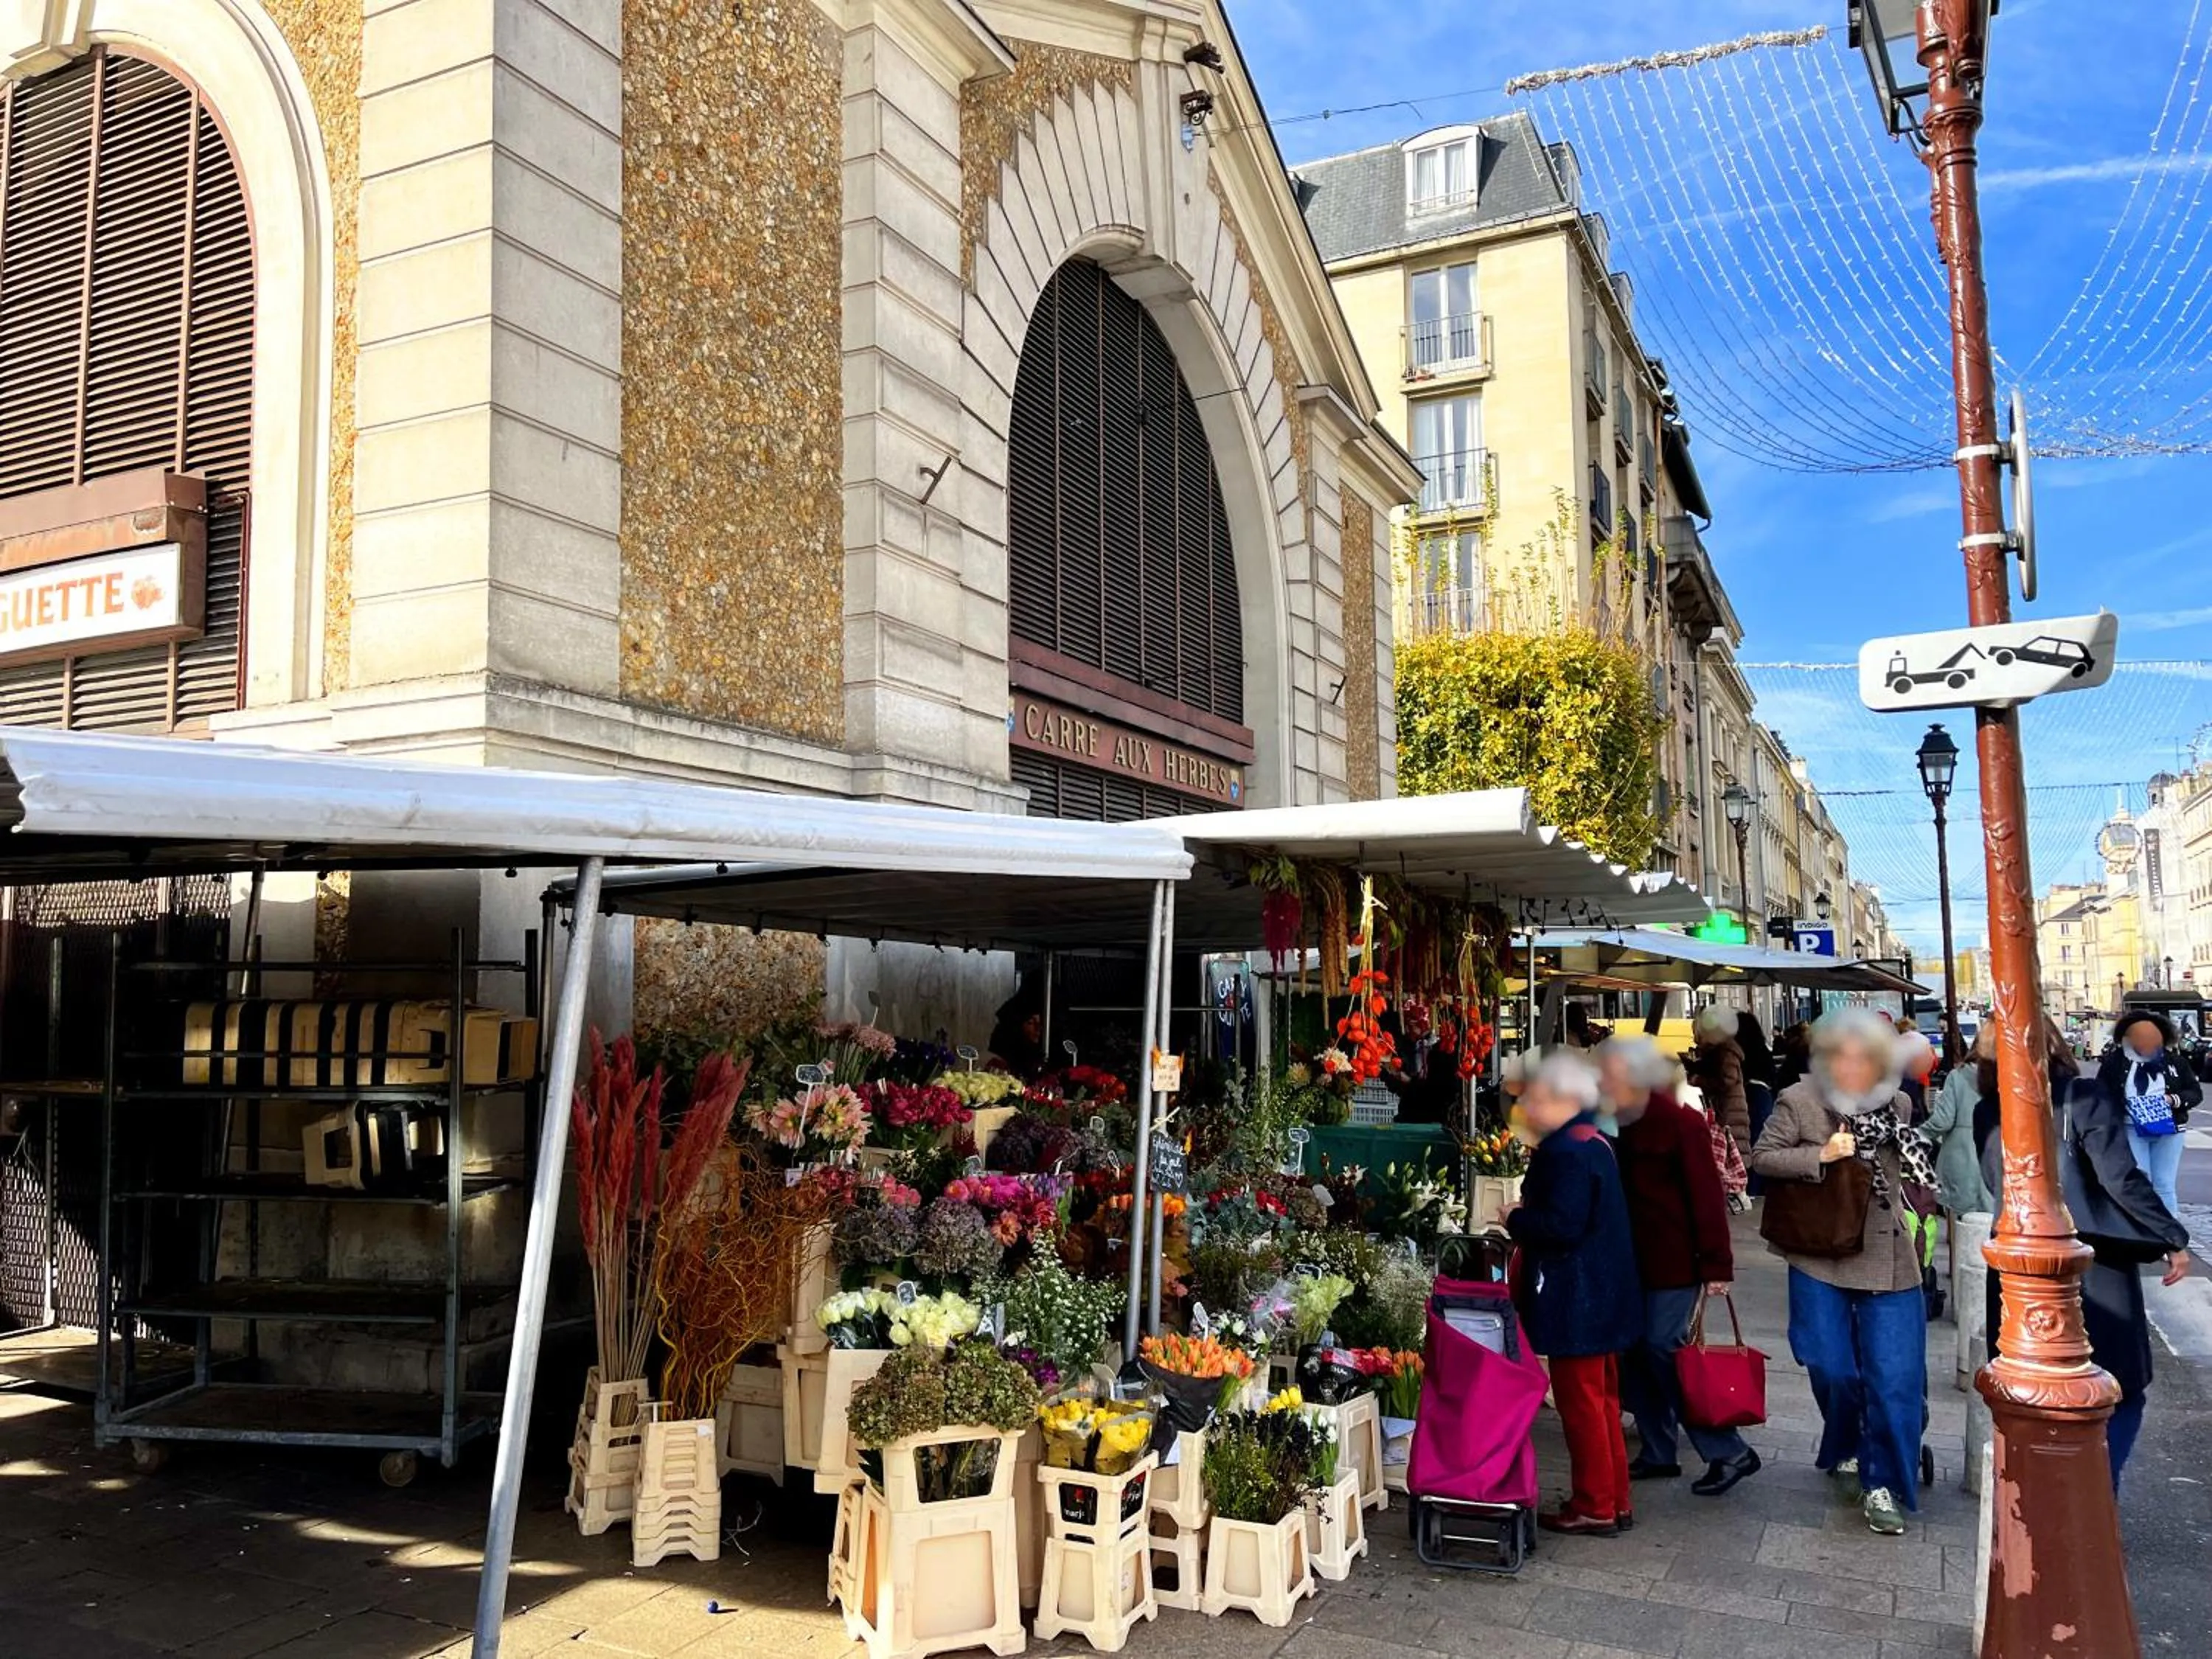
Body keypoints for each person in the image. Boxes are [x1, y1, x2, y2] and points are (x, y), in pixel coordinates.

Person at [1977, 1018, 2191, 1490]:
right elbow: (2121, 1179)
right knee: (2119, 1388)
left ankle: (2046, 1495)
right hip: (2092, 1261)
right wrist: (2172, 1237)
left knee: (2033, 1393)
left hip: (2018, 1268)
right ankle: (2093, 1497)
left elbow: (1995, 1183)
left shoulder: (1987, 1108)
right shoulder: (2084, 1097)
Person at [1749, 1006, 1938, 1537]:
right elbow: (1763, 1158)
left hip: (1889, 1256)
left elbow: (1912, 1170)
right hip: (1821, 1251)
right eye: (1843, 1058)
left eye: (1866, 1059)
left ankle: (1885, 1483)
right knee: (1830, 1365)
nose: (1854, 1068)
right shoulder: (1799, 1100)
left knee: (1895, 1379)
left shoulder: (1898, 1102)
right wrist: (1821, 1154)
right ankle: (1848, 1442)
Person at [1599, 1036, 1761, 1498]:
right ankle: (1658, 1449)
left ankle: (1728, 1449)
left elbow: (1706, 1198)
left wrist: (1717, 1266)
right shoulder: (1620, 1122)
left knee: (1662, 1349)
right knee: (1638, 1352)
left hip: (1676, 1261)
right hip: (1636, 1260)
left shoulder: (1680, 1122)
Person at [1503, 1051, 1644, 1537]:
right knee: (1602, 1402)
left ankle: (1595, 1504)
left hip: (1578, 1296)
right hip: (1604, 1292)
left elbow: (1561, 1225)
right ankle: (1614, 1499)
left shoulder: (1566, 1150)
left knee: (1582, 1404)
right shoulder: (1592, 1138)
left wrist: (1515, 1218)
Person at [2103, 1009, 2199, 1215]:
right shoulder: (2115, 1061)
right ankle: (2144, 1229)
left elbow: (2194, 1092)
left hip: (2170, 1129)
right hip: (2131, 1127)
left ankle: (2169, 1231)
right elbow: (2101, 1091)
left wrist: (2172, 1100)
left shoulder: (2175, 1061)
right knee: (2141, 1182)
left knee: (2164, 1184)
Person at [1922, 1023, 2000, 1217]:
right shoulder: (2010, 1080)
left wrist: (1917, 1134)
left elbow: (1943, 1120)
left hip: (1961, 1159)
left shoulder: (1957, 1076)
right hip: (1997, 1159)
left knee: (1961, 1224)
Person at [1688, 1004, 1752, 1158]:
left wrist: (1699, 1080)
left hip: (1730, 1113)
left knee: (1733, 1154)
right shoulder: (1719, 1051)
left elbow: (1727, 1080)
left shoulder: (1726, 1053)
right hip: (1728, 1111)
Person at [987, 984, 1046, 1077]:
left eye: (1040, 1023)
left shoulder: (1035, 1057)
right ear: (1016, 1027)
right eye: (1031, 1023)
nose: (1038, 1028)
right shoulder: (998, 1064)